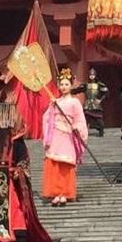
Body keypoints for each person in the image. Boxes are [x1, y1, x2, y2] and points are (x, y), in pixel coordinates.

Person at [0, 89, 55, 242]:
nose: (0, 124)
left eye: (3, 121)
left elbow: (23, 161)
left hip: (10, 182)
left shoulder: (16, 141)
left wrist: (19, 171)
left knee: (15, 211)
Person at [42, 67, 88, 206]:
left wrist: (76, 127)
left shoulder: (75, 102)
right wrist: (52, 107)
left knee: (65, 165)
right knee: (55, 163)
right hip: (56, 134)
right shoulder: (55, 102)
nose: (63, 87)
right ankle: (56, 193)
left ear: (71, 85)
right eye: (61, 84)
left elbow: (80, 120)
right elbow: (46, 118)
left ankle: (65, 193)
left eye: (66, 84)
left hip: (68, 134)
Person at [72, 67, 109, 137]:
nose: (92, 76)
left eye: (93, 75)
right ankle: (83, 132)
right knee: (85, 120)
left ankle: (101, 132)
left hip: (96, 104)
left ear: (95, 75)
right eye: (90, 75)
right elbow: (77, 90)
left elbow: (106, 93)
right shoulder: (86, 85)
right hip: (87, 104)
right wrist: (70, 90)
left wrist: (100, 99)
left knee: (99, 120)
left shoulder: (99, 85)